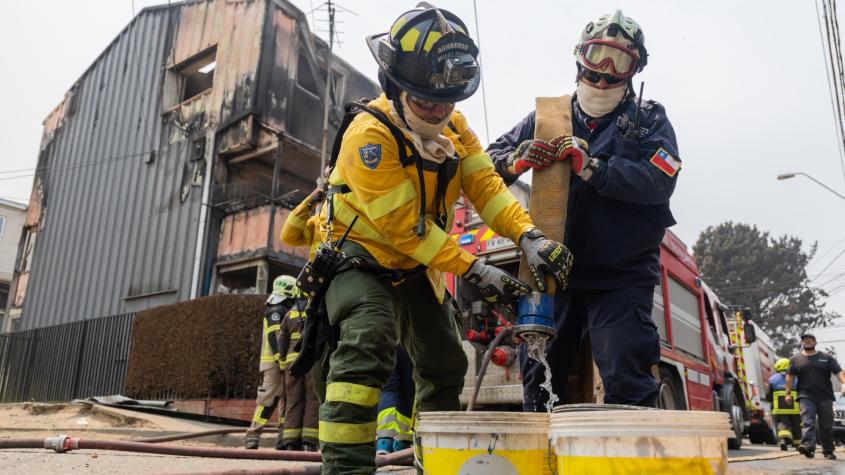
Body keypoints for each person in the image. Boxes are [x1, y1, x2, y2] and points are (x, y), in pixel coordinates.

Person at [315, 4, 571, 473]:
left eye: (448, 101)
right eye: (426, 101)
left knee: (445, 362)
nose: (439, 111)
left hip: (417, 262)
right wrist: (475, 268)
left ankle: (432, 462)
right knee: (369, 339)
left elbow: (487, 189)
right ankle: (347, 468)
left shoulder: (455, 130)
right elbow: (402, 227)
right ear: (394, 87)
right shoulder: (368, 137)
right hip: (360, 255)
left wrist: (528, 235)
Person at [488, 10, 680, 410]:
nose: (606, 71)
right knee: (540, 378)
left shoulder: (648, 120)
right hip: (553, 273)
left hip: (621, 275)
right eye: (598, 55)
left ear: (636, 67)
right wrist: (516, 159)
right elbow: (486, 164)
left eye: (621, 60)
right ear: (580, 58)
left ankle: (630, 466)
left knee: (626, 372)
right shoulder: (549, 116)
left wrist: (594, 168)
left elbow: (660, 181)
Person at [244, 275, 297, 449]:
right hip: (274, 364)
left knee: (285, 400)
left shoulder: (281, 307)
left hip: (279, 362)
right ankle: (253, 435)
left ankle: (282, 439)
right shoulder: (277, 309)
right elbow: (274, 337)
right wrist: (279, 358)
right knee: (268, 400)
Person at [785, 333, 845, 459]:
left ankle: (828, 450)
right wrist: (788, 393)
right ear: (801, 343)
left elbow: (839, 372)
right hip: (805, 395)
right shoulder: (795, 359)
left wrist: (844, 384)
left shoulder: (826, 357)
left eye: (810, 340)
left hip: (825, 396)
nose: (807, 341)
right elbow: (790, 376)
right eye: (805, 340)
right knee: (808, 421)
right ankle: (807, 446)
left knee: (826, 424)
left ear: (815, 342)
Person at [277, 290, 320, 451]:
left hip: (291, 365)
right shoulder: (316, 310)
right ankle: (309, 442)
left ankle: (289, 441)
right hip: (310, 362)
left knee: (293, 401)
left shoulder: (289, 315)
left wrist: (282, 361)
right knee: (313, 399)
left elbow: (282, 339)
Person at [375, 346, 415, 455]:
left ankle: (384, 441)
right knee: (408, 387)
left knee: (388, 386)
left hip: (384, 335)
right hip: (406, 337)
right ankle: (402, 441)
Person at [768, 357, 801, 450]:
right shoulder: (797, 378)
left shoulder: (772, 379)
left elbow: (768, 394)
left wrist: (771, 401)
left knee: (783, 424)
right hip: (795, 407)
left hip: (779, 408)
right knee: (796, 425)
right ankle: (798, 444)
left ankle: (784, 440)